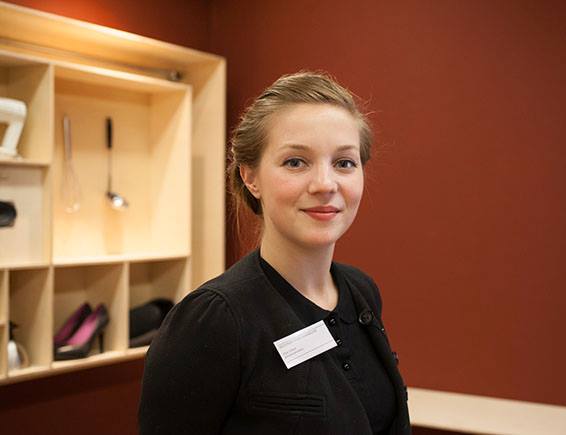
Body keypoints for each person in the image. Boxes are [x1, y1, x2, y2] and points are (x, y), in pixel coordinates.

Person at [138, 71, 410, 434]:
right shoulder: (214, 320)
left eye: (344, 163)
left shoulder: (361, 291)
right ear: (251, 177)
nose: (325, 184)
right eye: (295, 162)